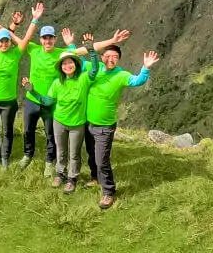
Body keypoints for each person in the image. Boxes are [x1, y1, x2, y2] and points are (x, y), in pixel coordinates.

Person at [82, 44, 160, 208]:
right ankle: (96, 178)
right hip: (87, 122)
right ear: (102, 57)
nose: (110, 59)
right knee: (91, 154)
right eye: (107, 56)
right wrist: (71, 44)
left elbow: (137, 81)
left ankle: (108, 192)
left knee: (101, 160)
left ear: (119, 60)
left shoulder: (121, 75)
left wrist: (145, 68)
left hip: (105, 126)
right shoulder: (93, 67)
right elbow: (74, 61)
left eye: (115, 57)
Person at [0, 0, 43, 168]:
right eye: (1, 41)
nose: (4, 43)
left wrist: (34, 19)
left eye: (7, 40)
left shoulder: (16, 53)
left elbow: (26, 38)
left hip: (8, 102)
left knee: (6, 131)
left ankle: (5, 158)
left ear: (9, 42)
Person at [22, 47, 92, 193]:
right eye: (64, 63)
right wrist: (32, 91)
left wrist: (91, 50)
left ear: (76, 64)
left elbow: (95, 69)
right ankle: (60, 174)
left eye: (70, 62)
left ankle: (72, 179)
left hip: (77, 123)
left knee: (74, 153)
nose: (67, 66)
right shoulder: (57, 83)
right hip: (59, 121)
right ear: (61, 67)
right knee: (61, 151)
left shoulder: (84, 78)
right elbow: (47, 101)